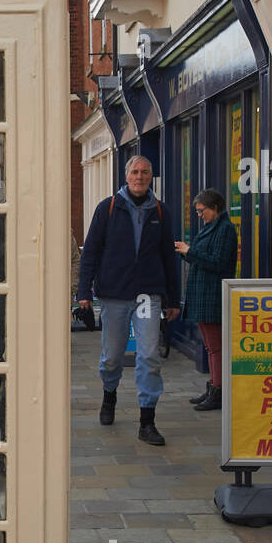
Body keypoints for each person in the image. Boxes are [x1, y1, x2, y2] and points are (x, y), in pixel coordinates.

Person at [78, 156, 179, 446]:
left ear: (150, 177)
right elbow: (90, 254)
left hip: (149, 293)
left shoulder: (161, 210)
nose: (140, 176)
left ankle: (147, 421)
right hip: (114, 294)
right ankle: (109, 397)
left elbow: (168, 258)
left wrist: (173, 298)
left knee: (149, 354)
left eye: (145, 172)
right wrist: (83, 292)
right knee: (112, 357)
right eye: (135, 172)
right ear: (126, 176)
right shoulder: (108, 208)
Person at [175, 189, 237, 411]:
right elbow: (203, 258)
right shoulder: (212, 227)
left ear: (215, 208)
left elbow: (218, 262)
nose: (199, 215)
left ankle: (218, 392)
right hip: (203, 295)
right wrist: (185, 252)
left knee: (215, 347)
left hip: (213, 295)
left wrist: (189, 251)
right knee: (211, 346)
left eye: (202, 211)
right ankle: (213, 388)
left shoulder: (225, 230)